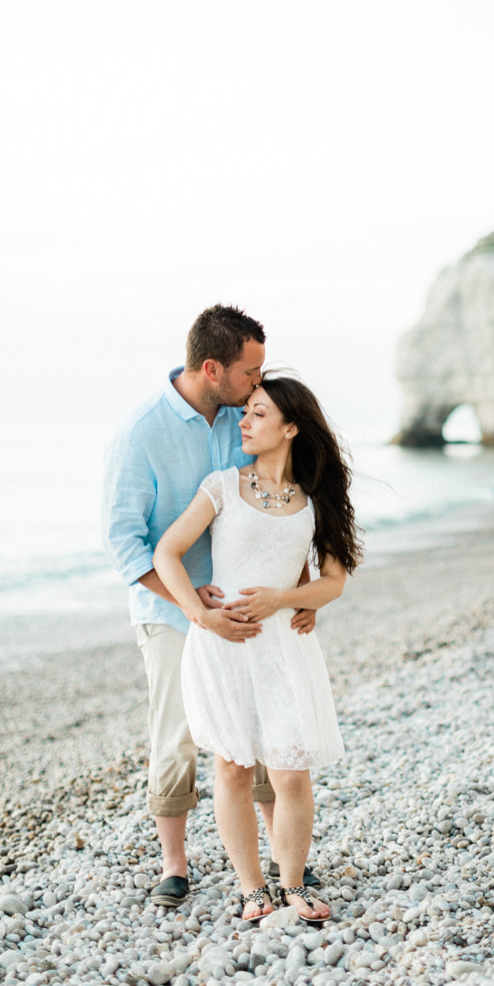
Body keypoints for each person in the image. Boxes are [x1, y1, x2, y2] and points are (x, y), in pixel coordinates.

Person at [102, 305, 318, 910]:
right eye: (251, 372)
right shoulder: (140, 433)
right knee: (179, 737)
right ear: (212, 367)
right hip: (169, 606)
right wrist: (191, 604)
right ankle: (176, 863)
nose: (259, 382)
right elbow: (126, 543)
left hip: (250, 608)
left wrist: (300, 592)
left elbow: (280, 513)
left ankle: (283, 860)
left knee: (265, 731)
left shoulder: (241, 419)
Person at [153, 374, 361, 923]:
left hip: (284, 647)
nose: (243, 422)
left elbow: (334, 581)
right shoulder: (221, 485)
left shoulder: (317, 501)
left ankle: (290, 884)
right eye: (244, 412)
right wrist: (201, 615)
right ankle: (251, 890)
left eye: (258, 414)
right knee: (233, 767)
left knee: (291, 771)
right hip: (223, 645)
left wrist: (284, 599)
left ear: (291, 428)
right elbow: (167, 552)